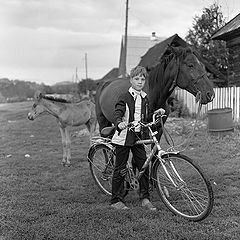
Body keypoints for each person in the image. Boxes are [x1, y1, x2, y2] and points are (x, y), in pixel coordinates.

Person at [110, 65, 156, 211]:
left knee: (144, 166)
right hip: (124, 137)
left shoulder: (145, 98)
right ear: (131, 80)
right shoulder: (124, 96)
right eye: (137, 79)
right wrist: (119, 123)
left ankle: (145, 197)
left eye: (142, 79)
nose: (140, 82)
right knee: (120, 169)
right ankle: (116, 200)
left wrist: (156, 114)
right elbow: (117, 113)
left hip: (138, 137)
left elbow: (146, 116)